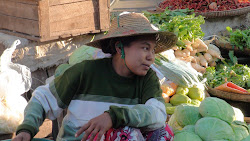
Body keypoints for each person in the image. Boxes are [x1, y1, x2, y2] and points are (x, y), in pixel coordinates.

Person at [12, 12, 177, 141]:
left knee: (163, 132)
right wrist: (27, 129)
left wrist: (113, 116)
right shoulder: (86, 71)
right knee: (127, 133)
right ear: (119, 48)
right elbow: (43, 98)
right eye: (145, 48)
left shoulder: (148, 79)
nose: (151, 57)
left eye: (153, 50)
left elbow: (158, 114)